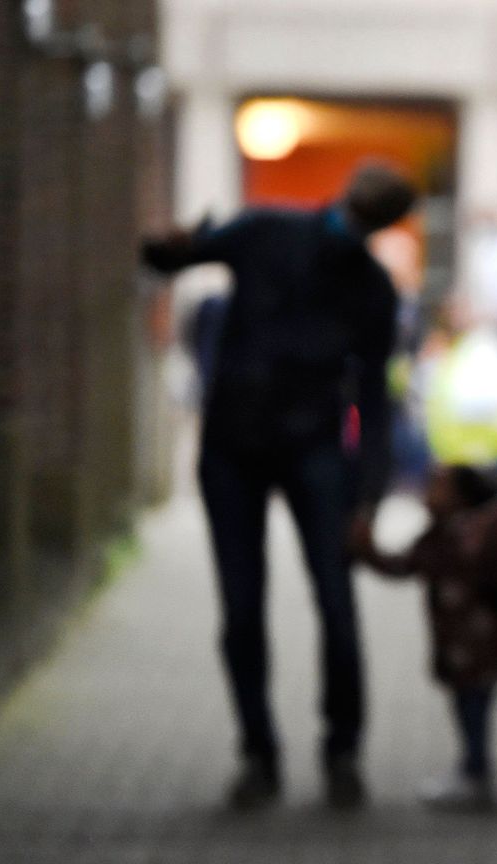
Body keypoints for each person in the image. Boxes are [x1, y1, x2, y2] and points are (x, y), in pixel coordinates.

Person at [141, 163, 415, 809]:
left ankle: (341, 750)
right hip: (233, 447)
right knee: (241, 607)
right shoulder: (263, 231)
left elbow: (374, 398)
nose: (359, 227)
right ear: (346, 197)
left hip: (314, 448)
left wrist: (370, 500)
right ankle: (259, 753)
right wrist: (169, 242)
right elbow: (171, 260)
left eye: (372, 222)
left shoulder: (371, 289)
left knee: (336, 603)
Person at [353, 466, 497, 809]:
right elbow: (401, 565)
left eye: (438, 487)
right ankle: (474, 768)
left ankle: (476, 771)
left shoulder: (480, 539)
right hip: (460, 647)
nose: (427, 493)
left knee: (474, 708)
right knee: (468, 708)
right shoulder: (437, 537)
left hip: (481, 648)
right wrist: (368, 550)